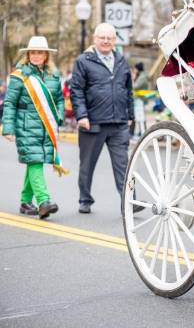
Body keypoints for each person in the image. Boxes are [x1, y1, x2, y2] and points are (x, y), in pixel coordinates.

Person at [70, 22, 142, 214]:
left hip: (119, 123)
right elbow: (76, 90)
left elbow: (128, 90)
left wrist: (130, 116)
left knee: (124, 166)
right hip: (92, 122)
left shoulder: (120, 60)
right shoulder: (83, 61)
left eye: (109, 38)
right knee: (87, 165)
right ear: (95, 39)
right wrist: (82, 115)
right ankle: (85, 199)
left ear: (115, 40)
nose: (106, 41)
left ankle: (129, 202)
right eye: (102, 37)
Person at [2, 36, 66, 219]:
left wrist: (59, 116)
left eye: (40, 52)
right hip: (26, 126)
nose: (36, 55)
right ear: (28, 54)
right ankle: (44, 202)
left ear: (46, 55)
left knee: (34, 161)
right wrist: (8, 128)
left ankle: (25, 201)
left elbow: (60, 100)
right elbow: (10, 103)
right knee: (35, 161)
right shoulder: (19, 76)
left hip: (46, 127)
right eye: (33, 52)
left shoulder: (54, 75)